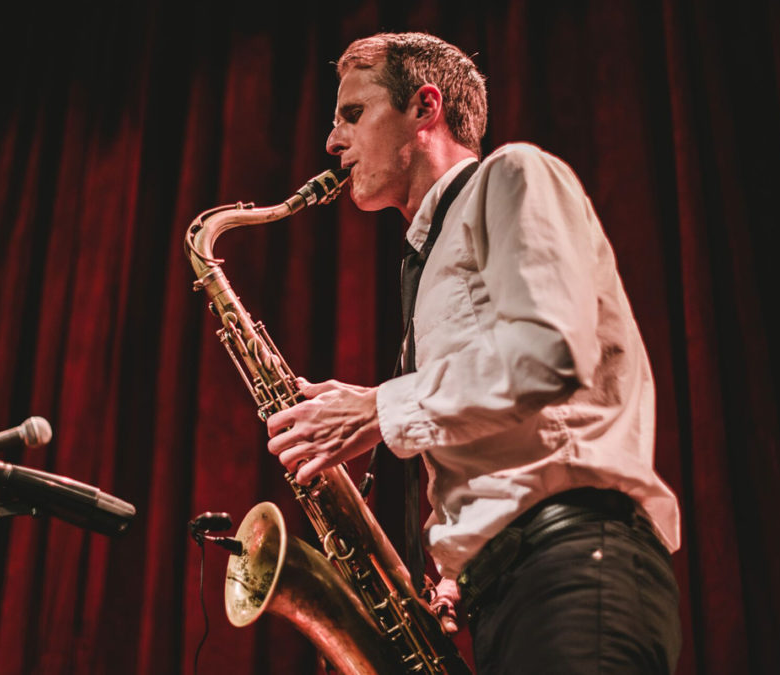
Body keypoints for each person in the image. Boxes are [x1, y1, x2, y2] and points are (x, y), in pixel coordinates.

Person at [265, 32, 682, 673]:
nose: (331, 142)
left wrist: (379, 408)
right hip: (509, 592)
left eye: (353, 114)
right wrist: (457, 571)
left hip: (572, 564)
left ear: (424, 107)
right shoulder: (425, 269)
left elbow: (550, 353)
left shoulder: (512, 176)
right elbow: (509, 431)